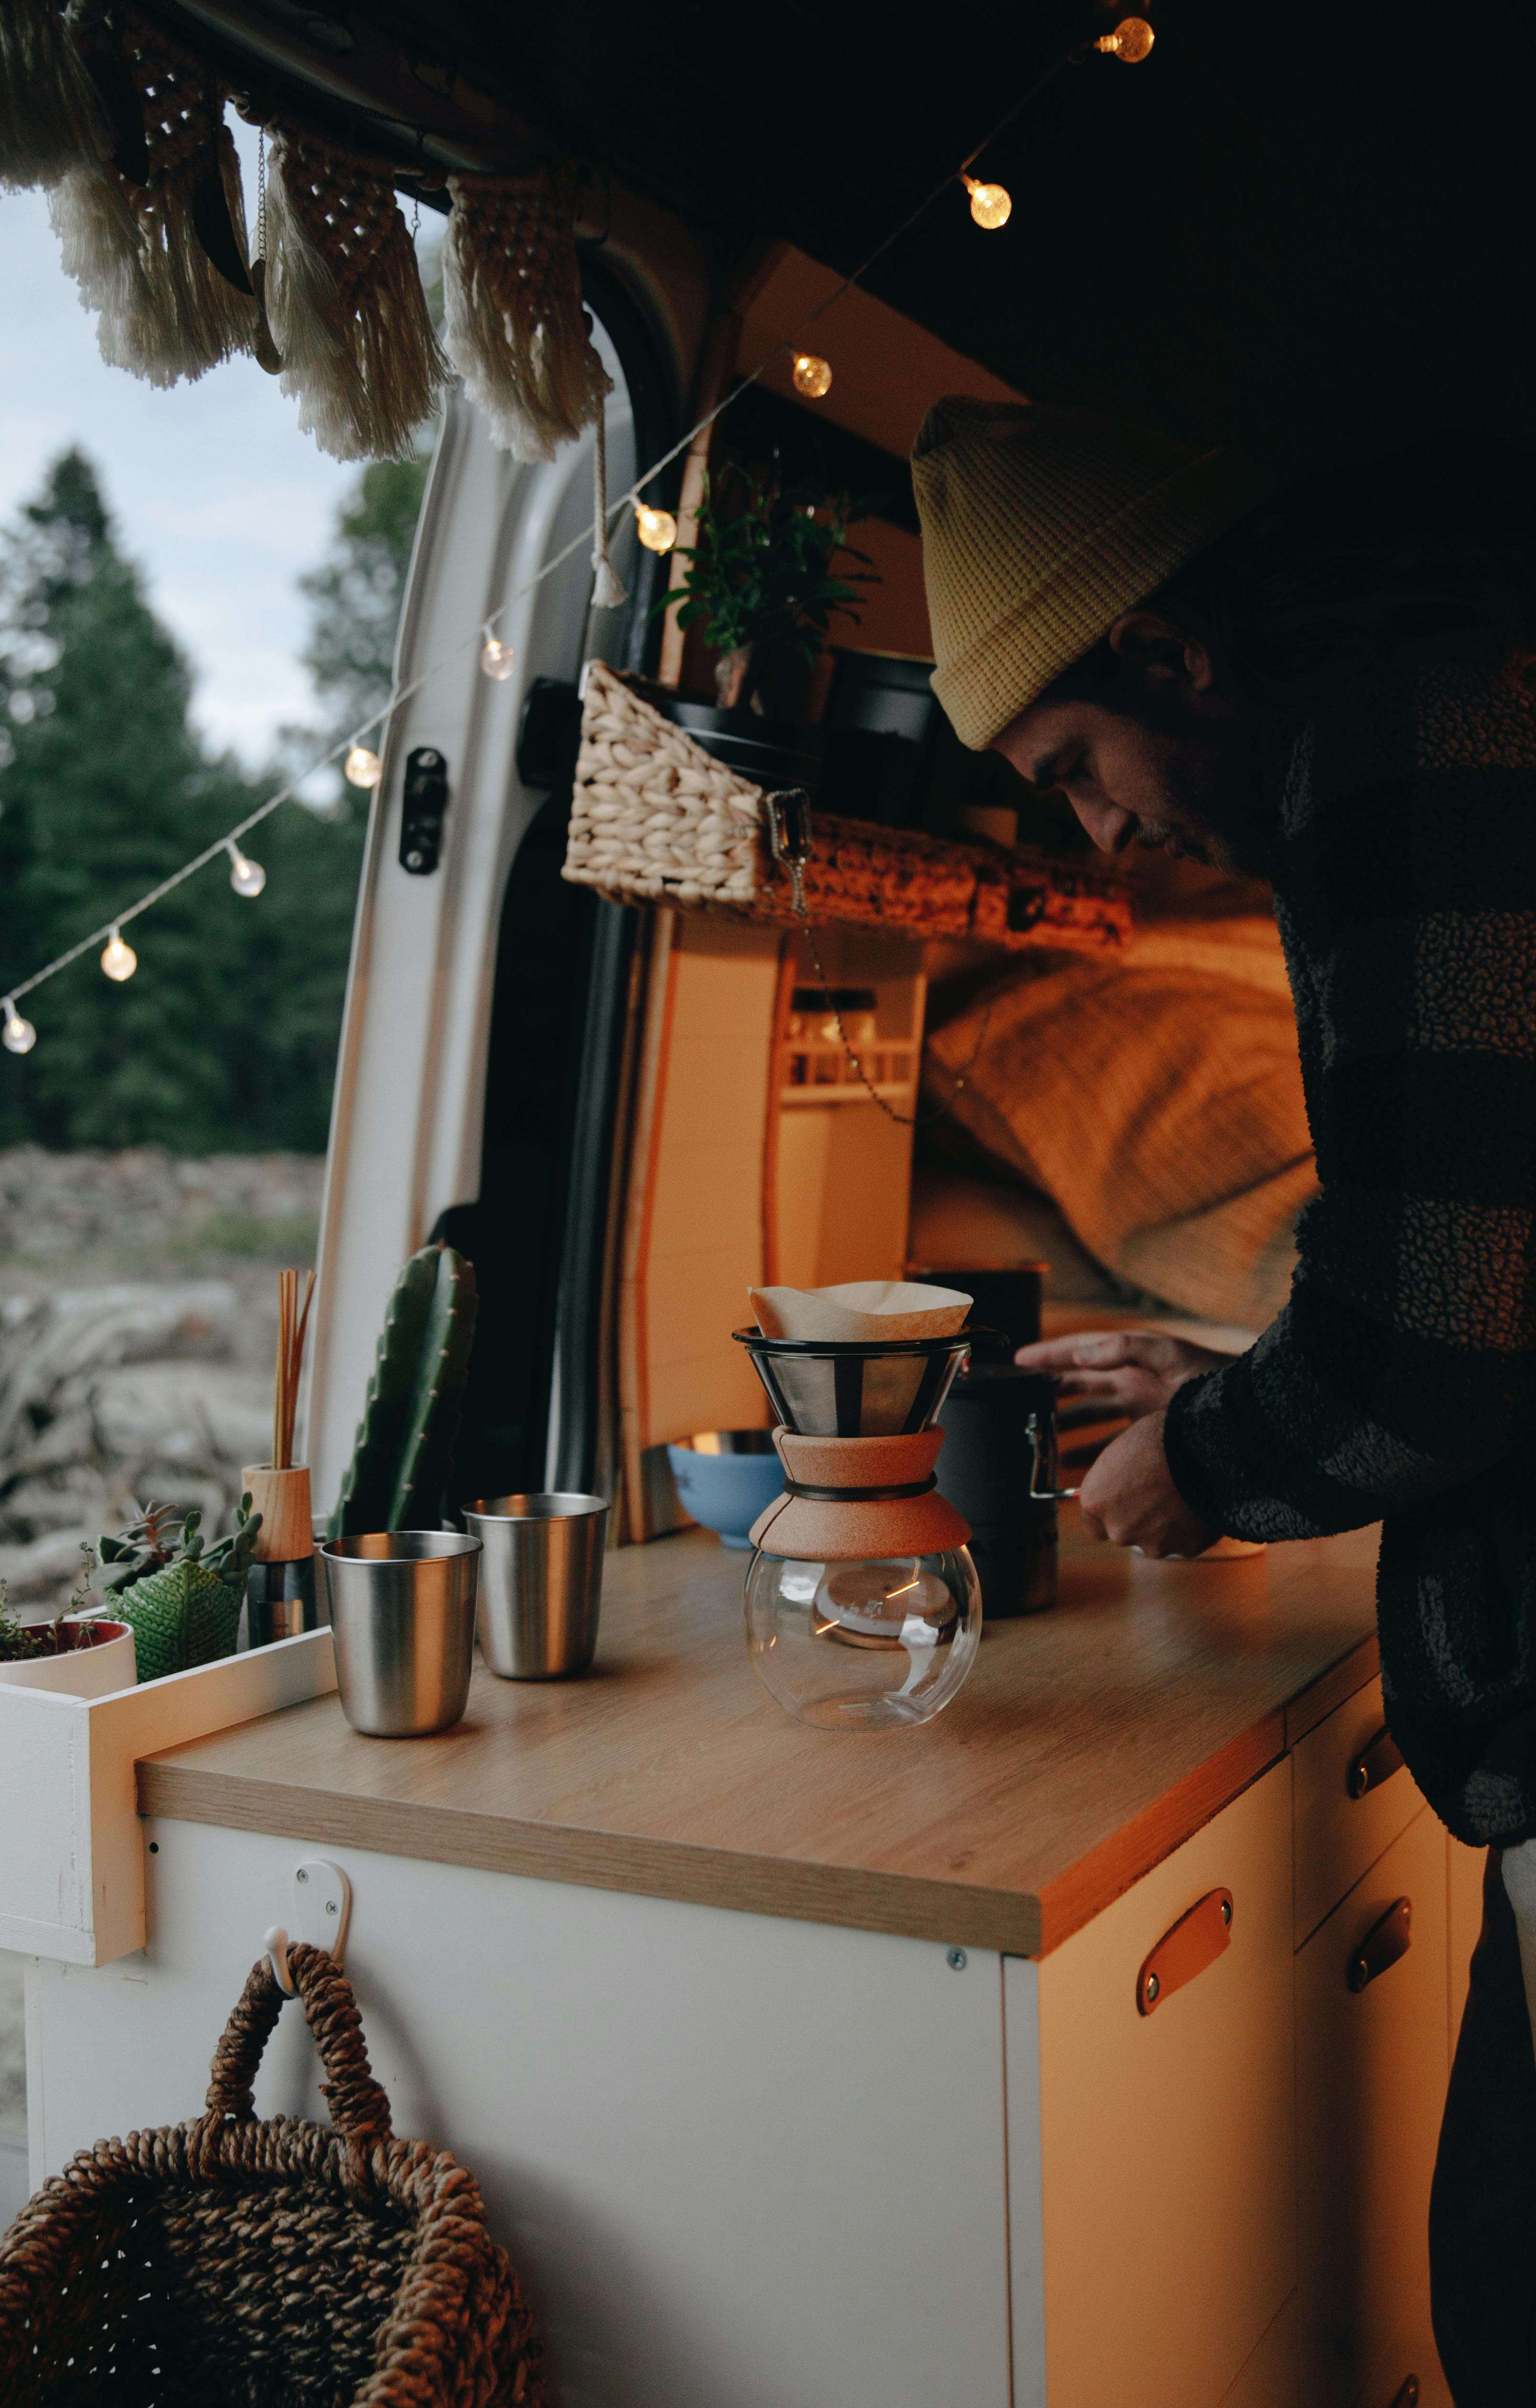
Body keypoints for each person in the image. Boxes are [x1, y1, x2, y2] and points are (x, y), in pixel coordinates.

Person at [911, 396, 1536, 2400]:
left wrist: (1208, 1454)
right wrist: (1243, 1372)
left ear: (1174, 655)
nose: (1096, 832)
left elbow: (1441, 1326)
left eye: (1073, 767)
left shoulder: (1406, 734)